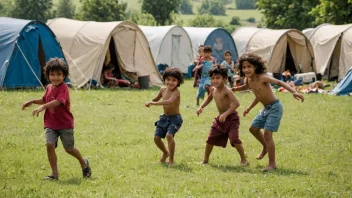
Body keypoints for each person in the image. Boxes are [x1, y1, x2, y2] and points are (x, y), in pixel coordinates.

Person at [21, 58, 92, 180]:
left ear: (64, 75)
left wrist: (43, 107)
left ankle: (84, 163)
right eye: (52, 74)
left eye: (59, 74)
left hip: (65, 124)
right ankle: (54, 174)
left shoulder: (64, 88)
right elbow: (45, 99)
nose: (55, 77)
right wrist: (32, 101)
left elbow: (58, 101)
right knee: (49, 144)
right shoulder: (49, 87)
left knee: (69, 149)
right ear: (48, 75)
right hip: (51, 123)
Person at [232, 53, 304, 172]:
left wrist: (294, 92)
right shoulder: (249, 80)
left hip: (275, 107)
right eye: (244, 67)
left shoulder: (262, 78)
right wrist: (235, 91)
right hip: (265, 108)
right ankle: (265, 146)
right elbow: (251, 91)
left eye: (249, 66)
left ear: (255, 67)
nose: (246, 69)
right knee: (253, 129)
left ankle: (272, 164)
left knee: (267, 134)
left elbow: (280, 83)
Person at [196, 64, 249, 166]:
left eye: (218, 78)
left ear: (224, 79)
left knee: (234, 139)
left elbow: (236, 104)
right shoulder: (213, 89)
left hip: (231, 118)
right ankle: (205, 160)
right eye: (212, 78)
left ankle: (244, 159)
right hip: (220, 119)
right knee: (210, 139)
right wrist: (201, 107)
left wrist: (226, 114)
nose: (215, 81)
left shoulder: (227, 90)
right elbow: (209, 98)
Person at [145, 68, 184, 166]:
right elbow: (156, 99)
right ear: (164, 79)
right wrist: (150, 101)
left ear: (178, 82)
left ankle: (171, 160)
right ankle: (165, 152)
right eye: (168, 79)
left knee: (169, 136)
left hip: (175, 118)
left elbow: (170, 101)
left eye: (174, 80)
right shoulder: (162, 90)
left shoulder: (176, 92)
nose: (170, 82)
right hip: (164, 118)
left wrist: (154, 103)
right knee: (156, 138)